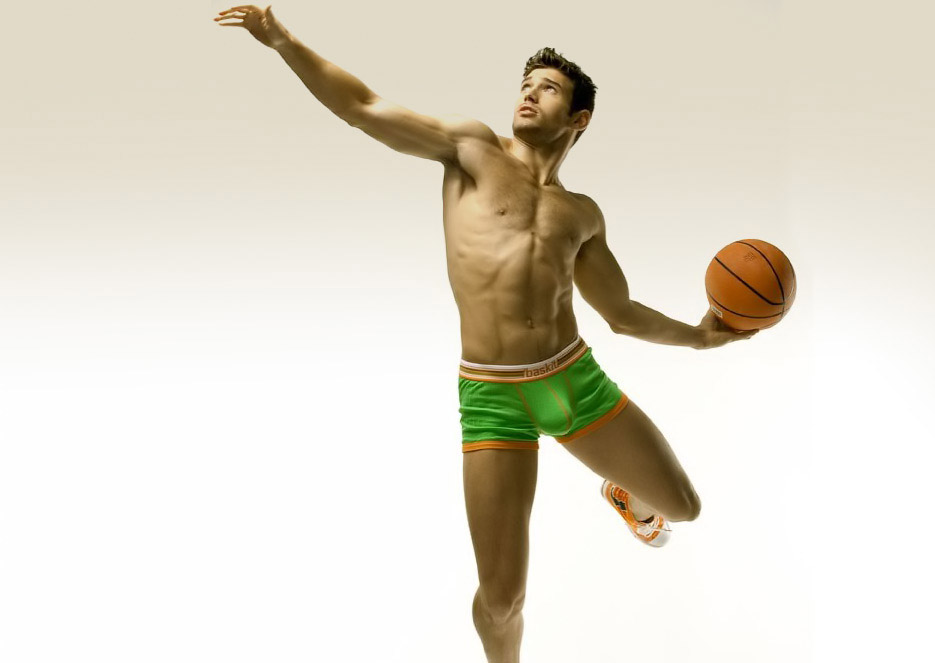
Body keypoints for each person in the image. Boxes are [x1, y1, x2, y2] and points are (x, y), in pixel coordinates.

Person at [215, 6, 757, 661]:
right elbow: (361, 106)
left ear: (579, 118)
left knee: (684, 505)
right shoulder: (471, 149)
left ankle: (625, 495)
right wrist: (282, 41)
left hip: (571, 382)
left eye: (548, 88)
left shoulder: (581, 213)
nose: (529, 93)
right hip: (494, 396)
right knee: (503, 599)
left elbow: (621, 313)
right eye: (526, 84)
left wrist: (702, 336)